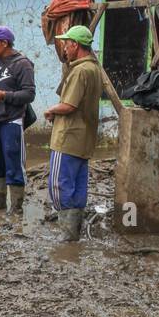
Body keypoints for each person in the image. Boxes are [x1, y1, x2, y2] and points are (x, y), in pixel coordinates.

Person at [43, 26, 103, 241]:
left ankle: (67, 233)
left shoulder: (79, 71)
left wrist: (50, 110)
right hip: (84, 138)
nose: (65, 48)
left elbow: (68, 105)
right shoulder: (94, 68)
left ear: (75, 45)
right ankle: (74, 233)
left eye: (66, 44)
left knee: (58, 185)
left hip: (67, 137)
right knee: (78, 185)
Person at [0, 26, 35, 217]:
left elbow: (29, 93)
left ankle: (16, 206)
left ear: (4, 43)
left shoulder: (22, 64)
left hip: (12, 120)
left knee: (13, 161)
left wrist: (6, 95)